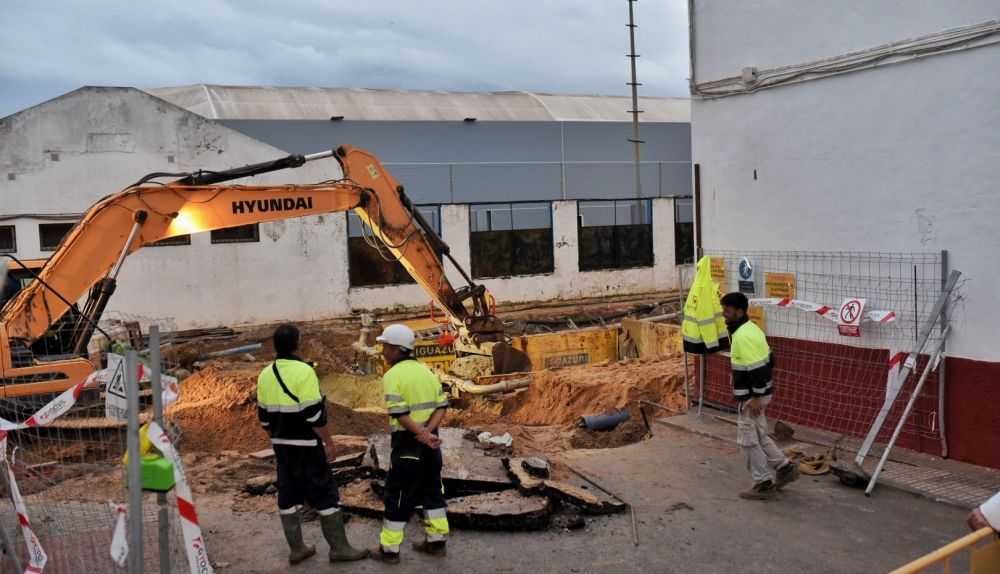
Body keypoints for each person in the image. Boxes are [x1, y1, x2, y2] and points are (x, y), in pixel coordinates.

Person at [256, 323, 367, 565]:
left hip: (281, 447)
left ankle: (297, 549)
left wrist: (278, 438)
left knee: (287, 496)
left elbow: (263, 418)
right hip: (306, 446)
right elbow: (313, 415)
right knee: (325, 492)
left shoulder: (265, 374)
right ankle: (339, 548)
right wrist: (328, 441)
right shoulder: (304, 372)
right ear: (298, 344)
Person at [369, 323, 450, 564]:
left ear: (396, 349)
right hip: (431, 446)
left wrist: (421, 434)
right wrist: (429, 432)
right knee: (433, 493)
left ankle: (389, 551)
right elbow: (442, 406)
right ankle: (436, 543)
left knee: (398, 496)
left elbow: (400, 414)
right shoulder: (425, 370)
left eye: (385, 347)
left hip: (408, 445)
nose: (383, 351)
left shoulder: (393, 375)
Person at [720, 292, 800, 500]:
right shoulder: (751, 329)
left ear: (739, 311)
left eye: (727, 311)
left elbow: (760, 370)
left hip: (752, 399)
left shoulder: (743, 335)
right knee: (760, 436)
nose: (724, 314)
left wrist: (755, 397)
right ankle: (784, 468)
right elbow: (770, 360)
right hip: (758, 396)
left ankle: (763, 483)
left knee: (748, 442)